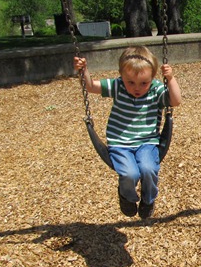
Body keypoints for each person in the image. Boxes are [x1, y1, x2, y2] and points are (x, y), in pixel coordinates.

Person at [73, 46, 182, 219]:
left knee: (148, 169)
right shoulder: (118, 86)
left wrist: (170, 78)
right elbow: (90, 86)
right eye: (130, 82)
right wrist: (83, 70)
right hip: (120, 143)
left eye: (144, 83)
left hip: (147, 143)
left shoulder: (156, 89)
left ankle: (148, 199)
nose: (137, 88)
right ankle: (127, 197)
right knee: (130, 173)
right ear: (121, 76)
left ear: (152, 77)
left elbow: (175, 101)